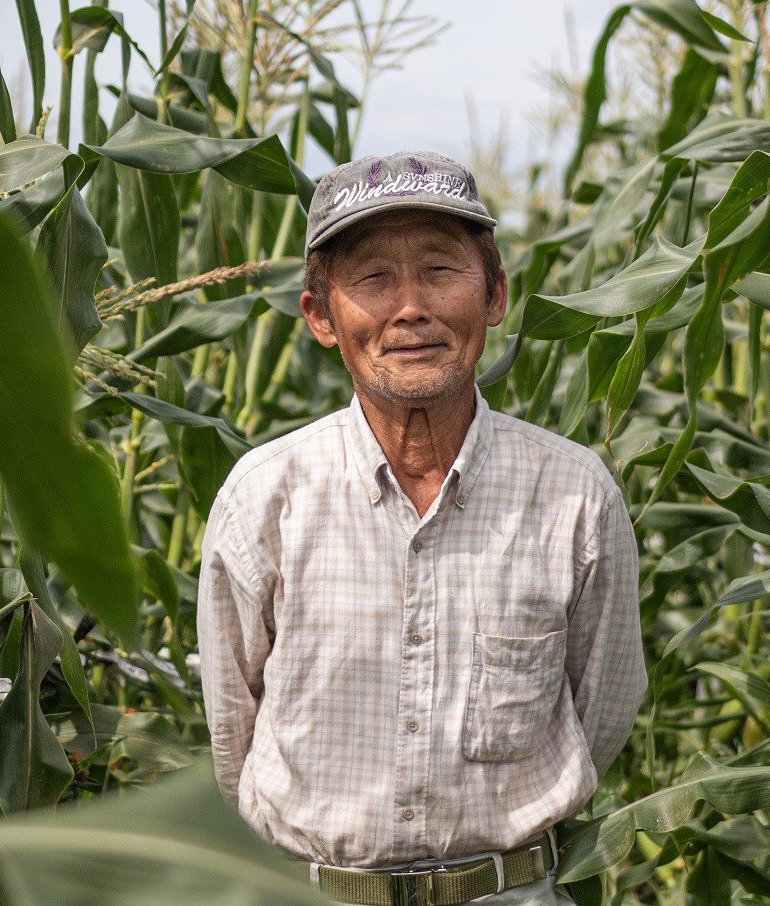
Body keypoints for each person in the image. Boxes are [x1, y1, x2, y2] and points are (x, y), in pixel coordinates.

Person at [198, 150, 645, 906]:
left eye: (441, 270)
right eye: (372, 278)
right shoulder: (265, 498)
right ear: (320, 317)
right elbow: (230, 739)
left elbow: (601, 711)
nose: (411, 308)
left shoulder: (573, 495)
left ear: (495, 293)